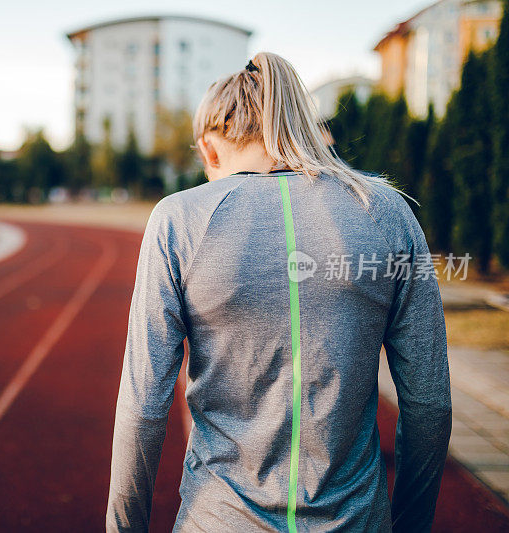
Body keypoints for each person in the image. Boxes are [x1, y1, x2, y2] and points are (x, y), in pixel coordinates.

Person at [106, 52, 451, 532]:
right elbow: (430, 403)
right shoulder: (387, 211)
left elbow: (143, 405)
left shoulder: (178, 219)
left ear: (209, 149)